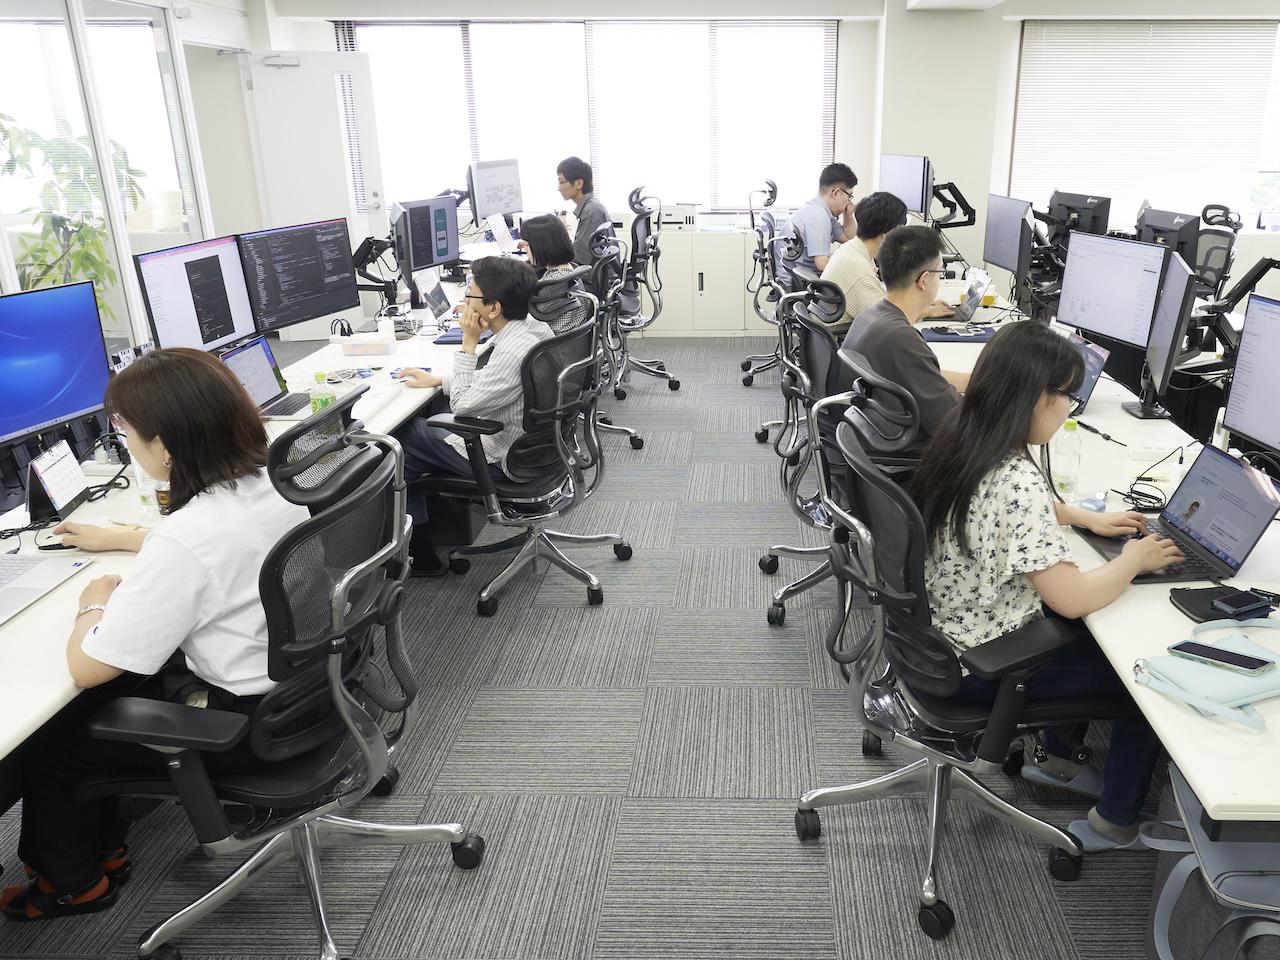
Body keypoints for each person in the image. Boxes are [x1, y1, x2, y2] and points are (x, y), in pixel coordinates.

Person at [1, 349, 309, 921]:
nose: (127, 446)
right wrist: (123, 538)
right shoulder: (277, 485)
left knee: (54, 737)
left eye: (127, 434)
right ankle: (107, 847)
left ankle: (75, 883)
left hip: (242, 730)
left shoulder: (188, 538)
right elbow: (221, 549)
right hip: (307, 699)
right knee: (115, 698)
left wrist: (91, 607)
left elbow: (89, 665)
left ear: (164, 445)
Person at [910, 322, 1184, 850]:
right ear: (1037, 398)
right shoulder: (1017, 477)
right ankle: (1116, 819)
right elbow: (1072, 597)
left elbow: (1001, 506)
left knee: (1081, 632)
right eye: (1068, 396)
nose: (1070, 409)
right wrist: (1135, 559)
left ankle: (1059, 758)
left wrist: (1078, 515)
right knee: (1141, 676)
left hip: (942, 637)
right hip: (987, 663)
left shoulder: (964, 432)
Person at [395, 256, 552, 575]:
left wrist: (468, 341)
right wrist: (441, 380)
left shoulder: (509, 352)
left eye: (469, 296)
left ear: (493, 308)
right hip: (540, 448)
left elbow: (464, 407)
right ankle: (445, 506)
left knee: (401, 439)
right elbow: (499, 383)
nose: (464, 303)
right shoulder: (531, 328)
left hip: (505, 458)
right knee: (432, 411)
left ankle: (420, 554)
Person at [841, 225, 971, 452]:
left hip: (868, 439)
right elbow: (954, 425)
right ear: (924, 280)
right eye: (941, 272)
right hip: (909, 456)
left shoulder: (872, 316)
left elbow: (926, 376)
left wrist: (978, 380)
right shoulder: (902, 339)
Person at [820, 191, 953, 333]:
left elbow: (883, 303)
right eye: (900, 228)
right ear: (887, 235)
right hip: (842, 343)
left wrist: (921, 303)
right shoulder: (859, 270)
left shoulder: (851, 249)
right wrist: (927, 311)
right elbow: (887, 319)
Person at [778, 162, 858, 285]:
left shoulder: (819, 209)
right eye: (849, 196)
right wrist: (853, 261)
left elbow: (848, 238)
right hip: (797, 283)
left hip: (796, 278)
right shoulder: (819, 216)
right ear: (836, 193)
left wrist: (848, 215)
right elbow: (822, 264)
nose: (849, 201)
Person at [521, 213, 588, 335]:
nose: (524, 249)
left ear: (540, 247)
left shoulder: (551, 283)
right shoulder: (569, 268)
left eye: (526, 244)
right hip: (570, 338)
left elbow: (522, 314)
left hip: (553, 346)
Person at [556, 156, 610, 267]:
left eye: (561, 182)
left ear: (579, 183)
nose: (558, 188)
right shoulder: (592, 206)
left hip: (591, 279)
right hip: (597, 274)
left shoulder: (591, 211)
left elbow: (580, 257)